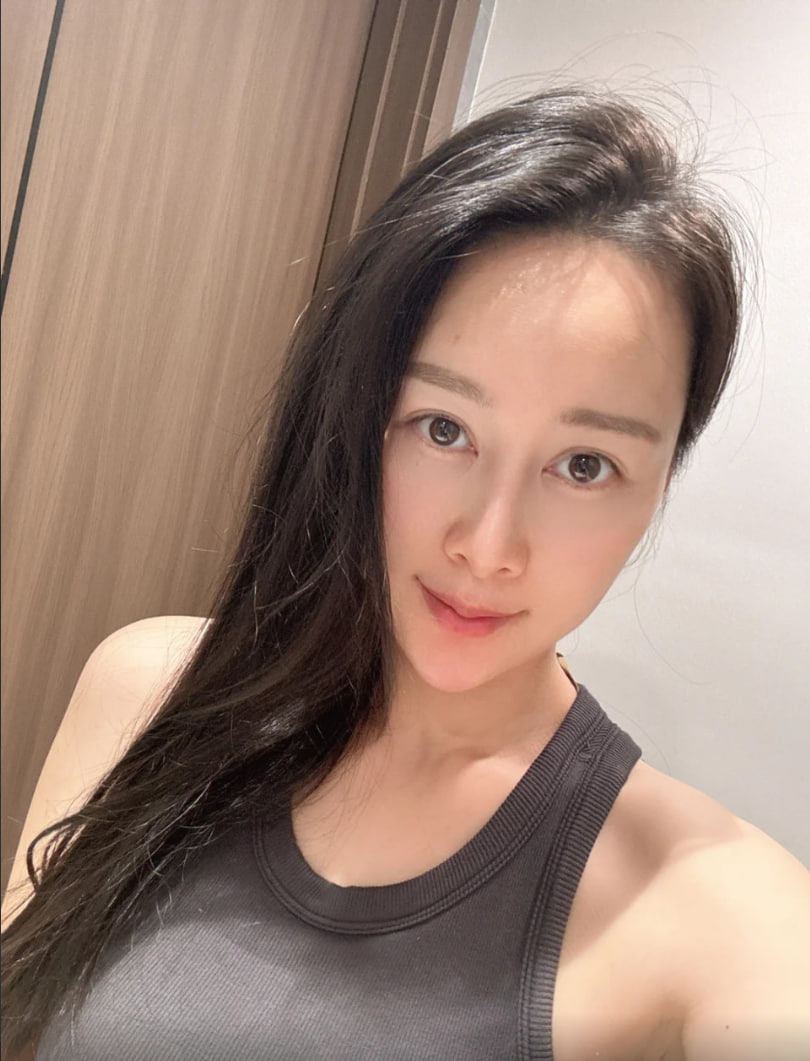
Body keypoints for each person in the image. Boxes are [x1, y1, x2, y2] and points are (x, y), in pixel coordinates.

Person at [2, 87, 809, 1061]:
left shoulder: (717, 916)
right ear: (358, 415)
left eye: (584, 463)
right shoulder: (148, 692)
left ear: (659, 484)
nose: (489, 544)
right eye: (443, 428)